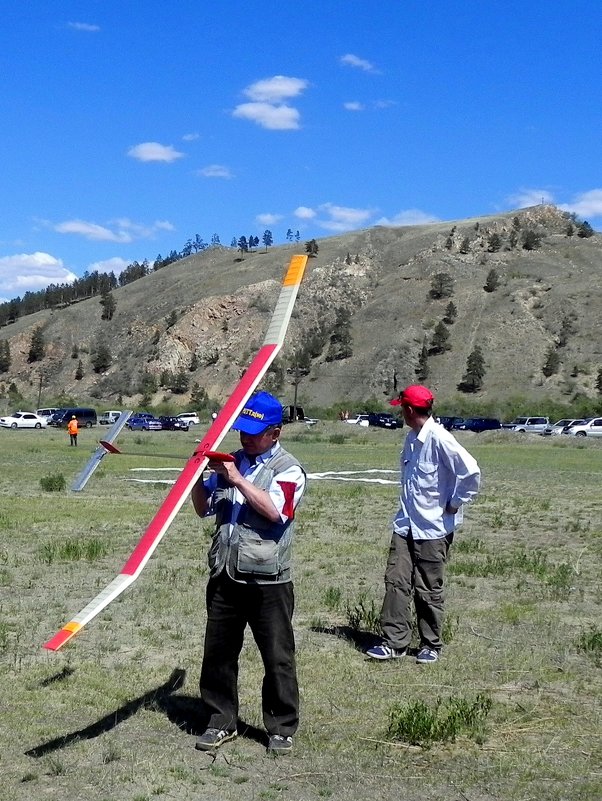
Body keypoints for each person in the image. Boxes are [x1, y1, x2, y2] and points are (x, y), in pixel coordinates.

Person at [191, 391, 306, 755]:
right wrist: (196, 476)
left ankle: (281, 727)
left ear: (275, 433)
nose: (245, 438)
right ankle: (220, 720)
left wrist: (237, 479)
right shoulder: (231, 462)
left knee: (277, 657)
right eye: (242, 430)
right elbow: (202, 509)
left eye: (254, 432)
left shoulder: (289, 469)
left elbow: (276, 512)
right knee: (218, 655)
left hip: (267, 582)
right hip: (224, 575)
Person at [367, 385, 480, 664]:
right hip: (405, 524)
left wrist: (454, 503)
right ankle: (395, 642)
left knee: (428, 588)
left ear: (409, 409)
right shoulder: (411, 438)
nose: (400, 413)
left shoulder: (441, 439)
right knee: (396, 582)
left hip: (432, 529)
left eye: (401, 408)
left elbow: (471, 472)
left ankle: (431, 644)